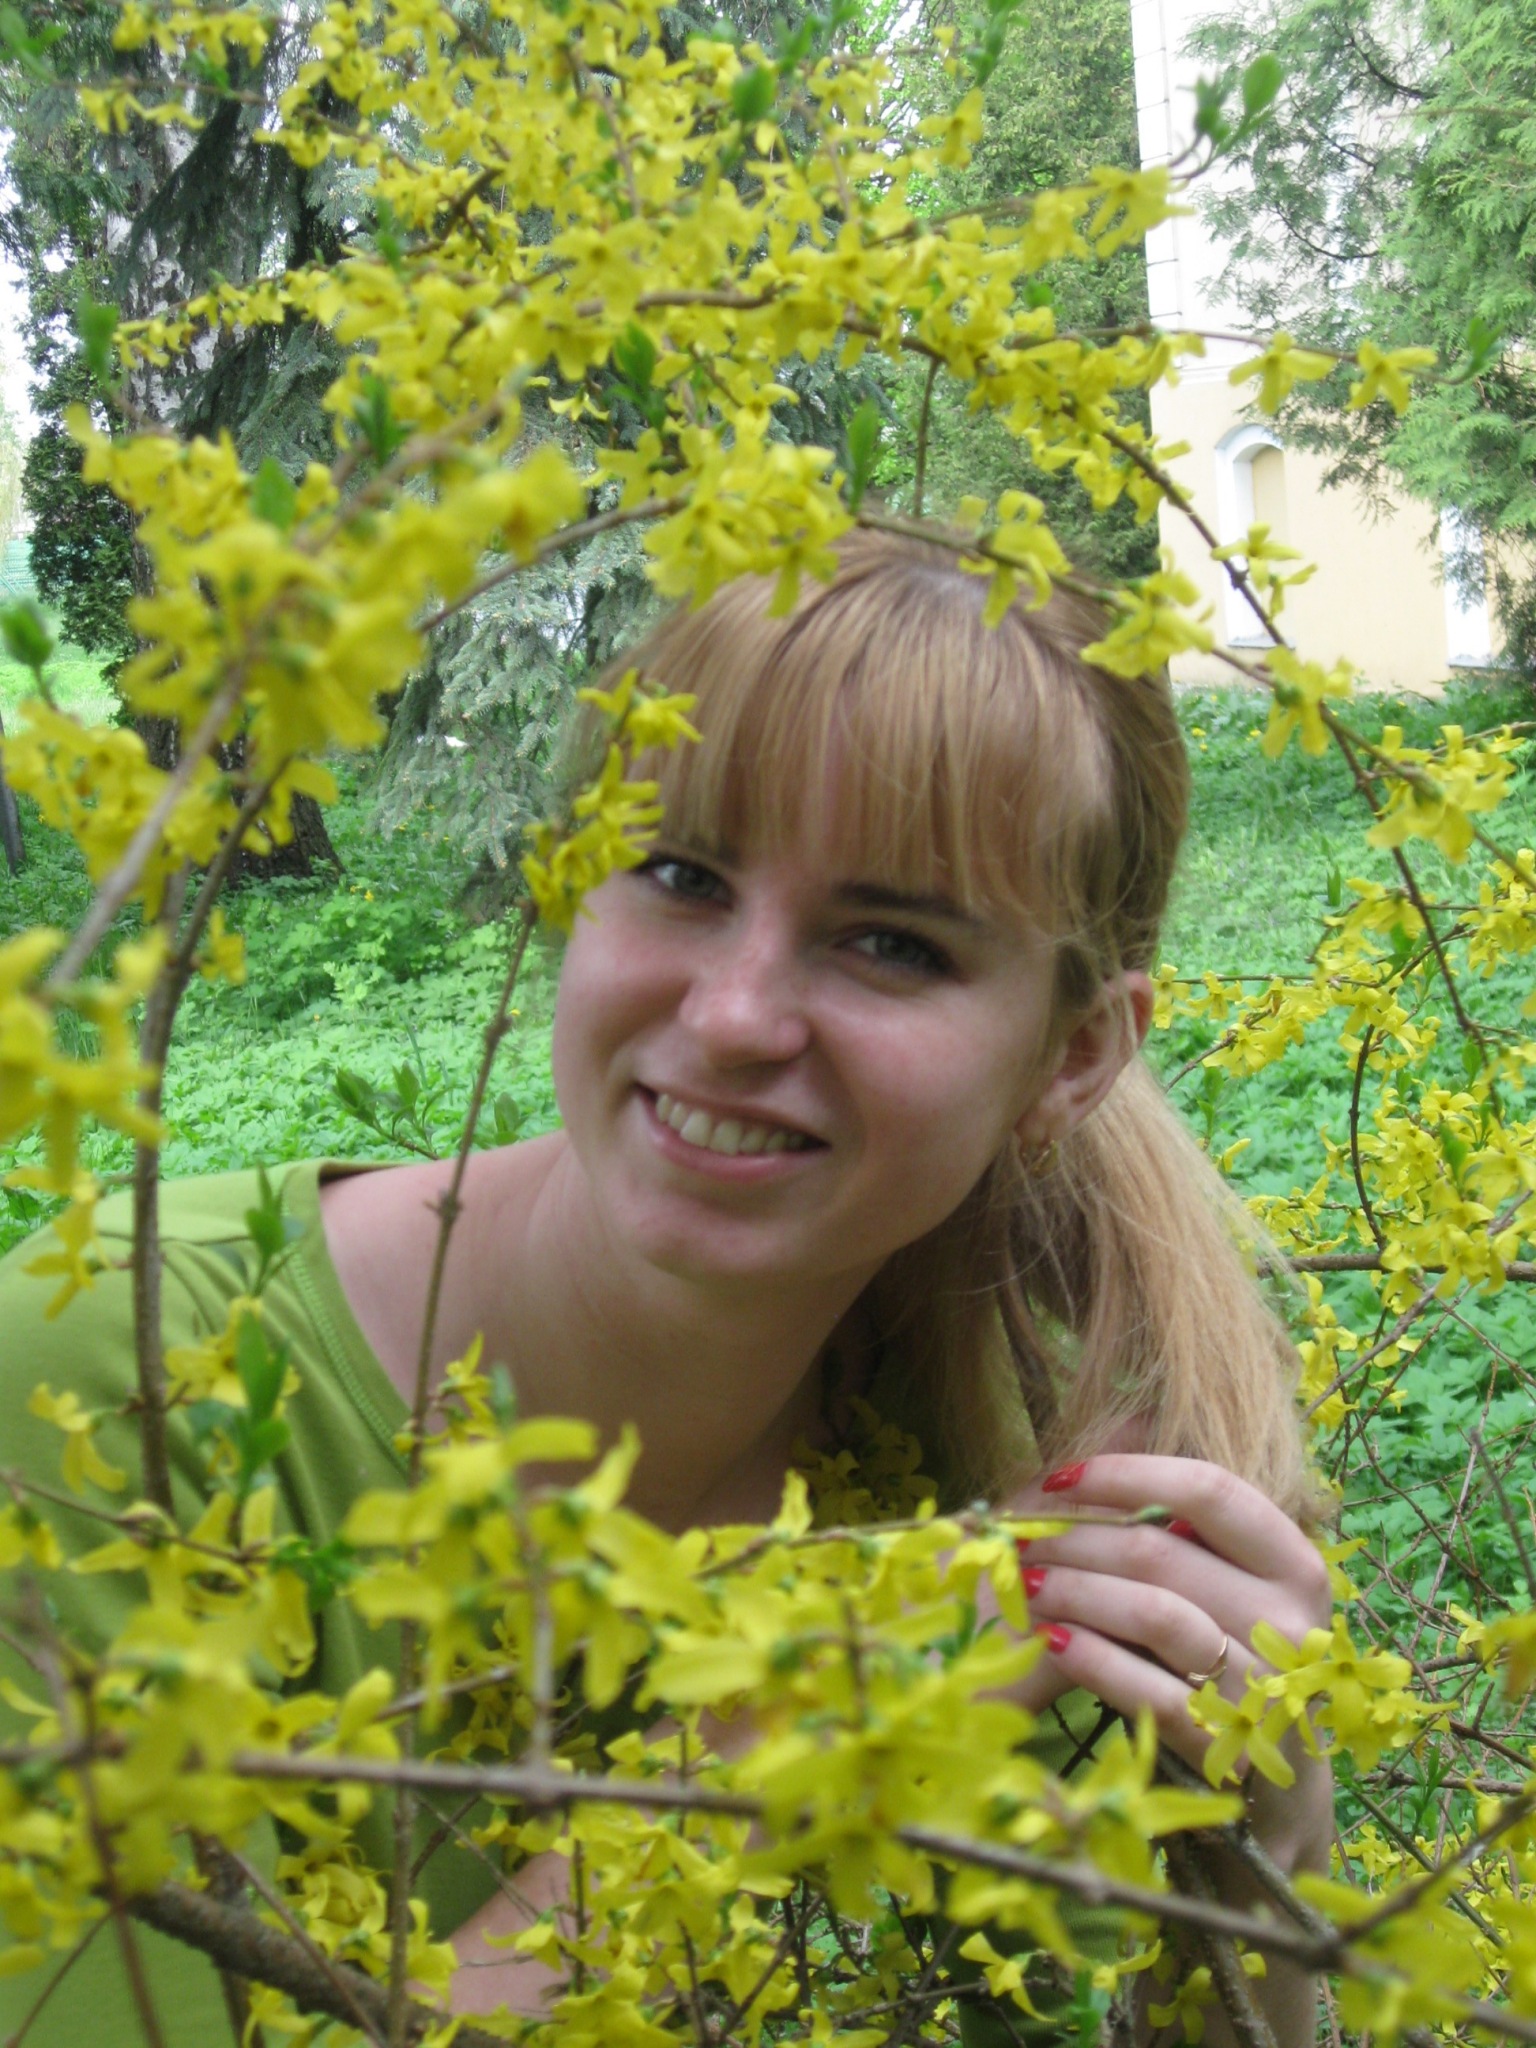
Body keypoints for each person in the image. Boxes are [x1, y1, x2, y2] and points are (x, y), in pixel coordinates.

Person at [0, 533, 1333, 2046]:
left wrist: (1265, 1883)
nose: (735, 1016)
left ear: (1074, 1057)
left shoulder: (1006, 1504)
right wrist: (752, 1770)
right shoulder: (106, 1399)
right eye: (683, 876)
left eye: (892, 943)